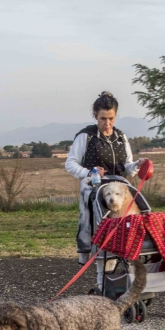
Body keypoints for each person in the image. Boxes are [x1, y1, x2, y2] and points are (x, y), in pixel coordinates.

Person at [65, 91, 147, 284]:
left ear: (116, 116)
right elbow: (70, 163)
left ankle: (128, 278)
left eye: (111, 118)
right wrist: (89, 173)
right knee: (100, 235)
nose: (107, 124)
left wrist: (136, 165)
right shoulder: (86, 137)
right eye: (103, 119)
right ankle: (103, 282)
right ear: (95, 116)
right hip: (94, 189)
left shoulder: (121, 137)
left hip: (118, 188)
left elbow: (126, 167)